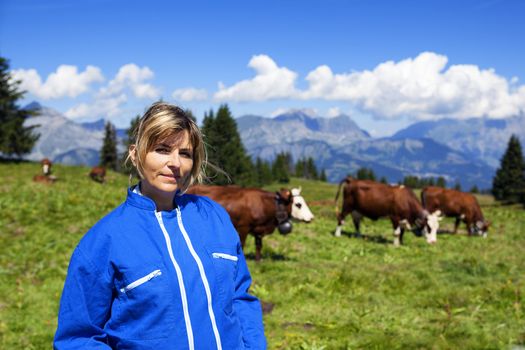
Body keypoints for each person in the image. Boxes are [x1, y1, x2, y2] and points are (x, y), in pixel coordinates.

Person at [54, 102, 267, 349]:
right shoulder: (104, 240)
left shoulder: (214, 217)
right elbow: (78, 339)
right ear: (135, 154)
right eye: (162, 149)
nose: (175, 162)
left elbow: (240, 297)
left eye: (185, 153)